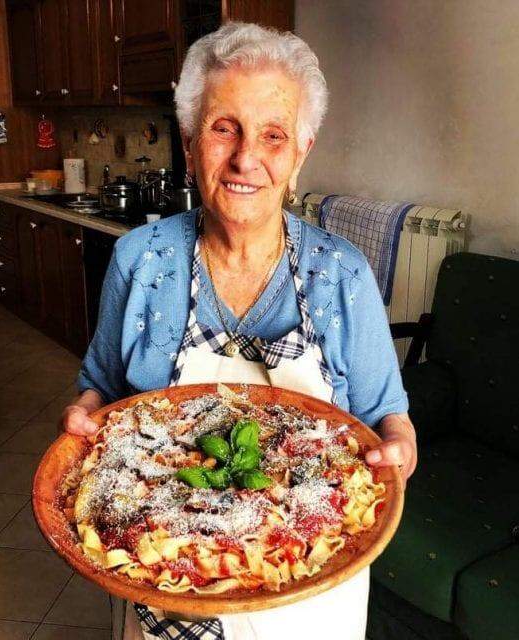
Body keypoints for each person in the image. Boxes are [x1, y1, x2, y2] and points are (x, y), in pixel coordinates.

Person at [61, 21, 417, 640]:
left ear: (301, 152)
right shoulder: (140, 262)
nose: (246, 157)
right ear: (192, 140)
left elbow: (389, 415)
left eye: (273, 136)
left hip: (310, 585)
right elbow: (98, 384)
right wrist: (84, 413)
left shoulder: (343, 277)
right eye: (225, 128)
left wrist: (399, 450)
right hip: (161, 574)